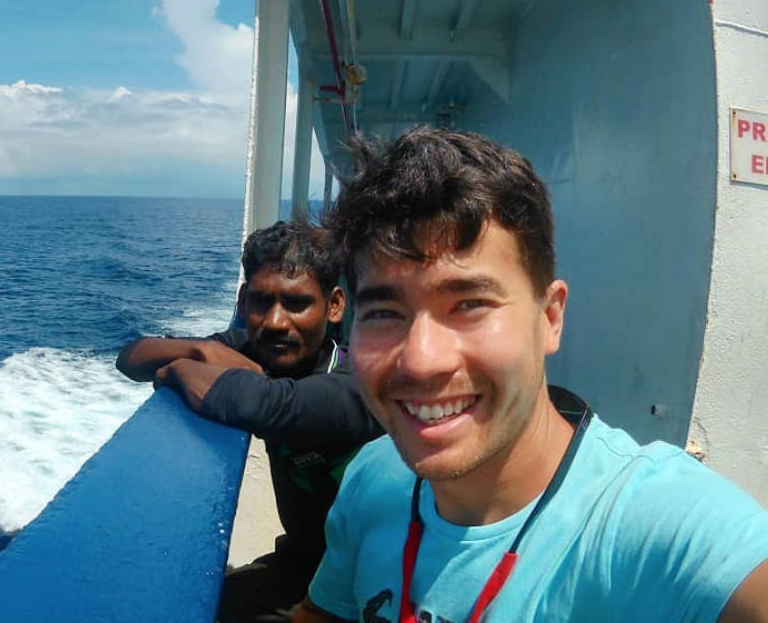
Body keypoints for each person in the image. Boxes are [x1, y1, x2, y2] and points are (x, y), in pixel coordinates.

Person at [296, 127, 768, 623]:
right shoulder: (376, 474)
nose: (420, 360)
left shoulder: (649, 524)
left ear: (550, 318)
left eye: (469, 305)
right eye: (385, 313)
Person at [117, 220, 383, 623]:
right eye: (261, 301)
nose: (275, 322)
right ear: (242, 302)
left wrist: (176, 370)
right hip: (302, 564)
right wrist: (197, 348)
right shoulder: (259, 350)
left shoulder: (358, 383)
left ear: (334, 306)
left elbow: (270, 405)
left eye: (297, 304)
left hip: (377, 586)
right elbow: (132, 358)